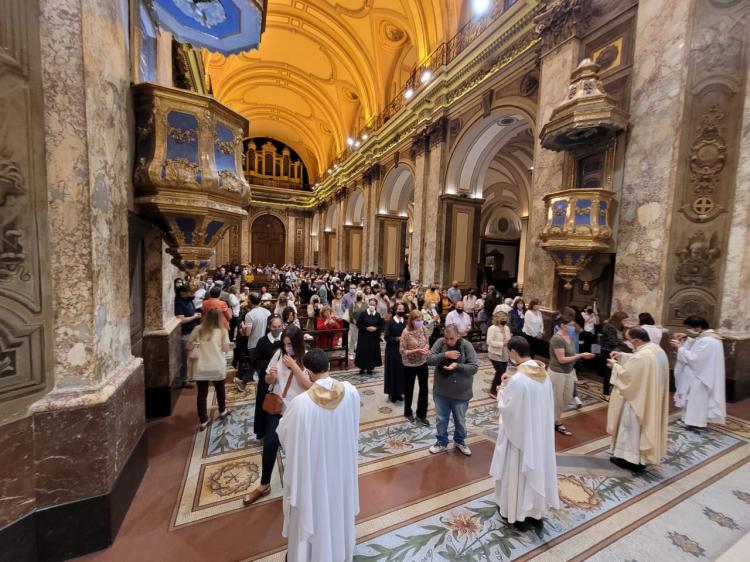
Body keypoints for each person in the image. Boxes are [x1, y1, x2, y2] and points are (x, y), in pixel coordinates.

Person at [277, 349, 360, 562]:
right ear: (329, 367)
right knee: (336, 510)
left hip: (314, 474)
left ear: (308, 372)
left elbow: (285, 436)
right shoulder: (350, 391)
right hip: (340, 468)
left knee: (314, 511)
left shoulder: (301, 404)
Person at [490, 336, 559, 529]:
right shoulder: (542, 374)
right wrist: (511, 381)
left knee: (516, 472)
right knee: (535, 471)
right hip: (538, 434)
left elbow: (508, 409)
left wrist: (502, 390)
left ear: (512, 352)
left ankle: (517, 514)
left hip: (519, 439)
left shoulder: (520, 379)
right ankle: (534, 513)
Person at [243, 326, 311, 505]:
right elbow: (268, 380)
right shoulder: (278, 355)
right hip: (278, 407)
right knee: (270, 443)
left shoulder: (307, 358)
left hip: (297, 410)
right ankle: (264, 485)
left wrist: (295, 366)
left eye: (290, 344)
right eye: (284, 344)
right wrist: (271, 377)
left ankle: (298, 486)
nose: (287, 347)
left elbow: (310, 386)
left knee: (296, 450)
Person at [607, 326, 670, 471]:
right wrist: (623, 355)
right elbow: (642, 364)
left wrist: (614, 366)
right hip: (651, 397)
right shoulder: (656, 350)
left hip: (637, 400)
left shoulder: (643, 356)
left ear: (636, 341)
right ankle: (640, 458)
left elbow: (628, 376)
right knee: (643, 428)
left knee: (631, 428)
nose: (627, 342)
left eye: (629, 340)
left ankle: (630, 460)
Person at [426, 324, 480, 456]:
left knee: (460, 420)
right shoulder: (440, 342)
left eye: (452, 339)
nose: (449, 341)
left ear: (458, 336)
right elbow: (429, 359)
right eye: (447, 338)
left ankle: (460, 441)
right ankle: (441, 442)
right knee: (441, 418)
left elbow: (474, 367)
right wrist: (445, 354)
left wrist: (458, 366)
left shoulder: (466, 345)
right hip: (441, 389)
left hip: (460, 391)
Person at [672, 316, 726, 430]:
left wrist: (680, 347)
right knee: (696, 399)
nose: (688, 330)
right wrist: (687, 337)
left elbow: (694, 358)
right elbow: (698, 343)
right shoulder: (712, 337)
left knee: (695, 400)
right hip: (705, 372)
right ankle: (691, 420)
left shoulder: (707, 341)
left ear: (699, 328)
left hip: (700, 375)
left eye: (690, 328)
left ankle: (693, 422)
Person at [548, 315, 595, 436]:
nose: (573, 327)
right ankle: (555, 422)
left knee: (568, 397)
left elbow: (570, 352)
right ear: (563, 325)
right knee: (557, 399)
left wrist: (581, 354)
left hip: (569, 370)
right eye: (571, 325)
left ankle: (552, 417)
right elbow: (562, 359)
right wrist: (580, 356)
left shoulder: (568, 336)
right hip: (557, 372)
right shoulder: (557, 339)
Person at [186, 308, 232, 431]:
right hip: (216, 365)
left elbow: (188, 346)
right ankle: (222, 411)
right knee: (220, 390)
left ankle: (203, 420)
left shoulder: (198, 329)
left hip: (201, 367)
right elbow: (226, 349)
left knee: (202, 394)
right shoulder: (222, 331)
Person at [253, 315, 285, 440]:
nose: (277, 329)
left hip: (282, 380)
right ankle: (265, 432)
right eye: (274, 327)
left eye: (279, 327)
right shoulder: (262, 341)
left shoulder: (285, 340)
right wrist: (271, 363)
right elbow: (255, 362)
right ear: (269, 327)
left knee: (282, 405)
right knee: (266, 405)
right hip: (266, 380)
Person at [399, 309, 431, 425]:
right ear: (411, 320)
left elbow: (427, 342)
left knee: (424, 388)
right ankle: (408, 412)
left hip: (422, 362)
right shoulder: (406, 332)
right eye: (417, 320)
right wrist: (417, 350)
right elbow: (402, 350)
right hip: (409, 364)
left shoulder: (424, 329)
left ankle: (421, 415)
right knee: (409, 388)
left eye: (421, 320)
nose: (420, 322)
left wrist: (426, 349)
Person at [235, 293, 271, 392]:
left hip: (254, 344)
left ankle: (267, 389)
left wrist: (242, 328)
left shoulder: (250, 315)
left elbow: (247, 333)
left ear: (250, 301)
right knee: (257, 366)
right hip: (266, 343)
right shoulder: (267, 312)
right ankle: (243, 383)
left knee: (258, 367)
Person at [175, 284, 201, 388]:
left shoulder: (189, 300)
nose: (193, 294)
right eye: (191, 293)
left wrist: (196, 315)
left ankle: (192, 376)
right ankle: (184, 379)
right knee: (186, 358)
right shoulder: (178, 303)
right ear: (183, 293)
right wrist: (194, 317)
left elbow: (192, 312)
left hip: (193, 331)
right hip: (185, 333)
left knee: (194, 356)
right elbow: (181, 319)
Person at [599, 311, 629, 396]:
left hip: (617, 352)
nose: (626, 322)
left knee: (614, 372)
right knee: (609, 372)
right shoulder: (608, 327)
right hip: (608, 352)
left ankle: (611, 390)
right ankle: (605, 393)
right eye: (624, 320)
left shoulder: (620, 327)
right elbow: (613, 341)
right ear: (618, 320)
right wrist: (627, 343)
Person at [383, 303, 407, 403]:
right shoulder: (390, 322)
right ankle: (392, 393)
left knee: (401, 371)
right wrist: (397, 338)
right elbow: (386, 337)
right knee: (392, 370)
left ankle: (400, 392)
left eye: (403, 309)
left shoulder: (406, 322)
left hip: (403, 350)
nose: (401, 310)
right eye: (399, 309)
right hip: (392, 349)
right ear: (395, 310)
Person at [355, 297, 383, 376]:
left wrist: (376, 328)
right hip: (364, 336)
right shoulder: (363, 313)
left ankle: (370, 368)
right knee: (363, 352)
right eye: (371, 304)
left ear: (376, 305)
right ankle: (362, 367)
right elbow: (358, 324)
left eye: (373, 305)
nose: (372, 306)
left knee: (372, 351)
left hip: (374, 337)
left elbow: (381, 325)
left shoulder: (377, 315)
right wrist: (366, 328)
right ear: (368, 304)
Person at [487, 311, 512, 399]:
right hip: (495, 353)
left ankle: (500, 389)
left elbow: (509, 339)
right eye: (503, 319)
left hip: (505, 353)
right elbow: (489, 341)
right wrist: (502, 343)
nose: (505, 320)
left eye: (506, 319)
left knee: (503, 373)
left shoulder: (507, 328)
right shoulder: (492, 328)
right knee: (500, 372)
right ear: (498, 319)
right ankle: (493, 391)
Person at [348, 291, 367, 359]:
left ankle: (360, 352)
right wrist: (355, 322)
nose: (359, 296)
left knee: (362, 339)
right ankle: (351, 353)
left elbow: (366, 314)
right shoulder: (352, 304)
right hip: (354, 324)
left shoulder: (365, 304)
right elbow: (350, 315)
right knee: (353, 338)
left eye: (360, 295)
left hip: (363, 325)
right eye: (358, 295)